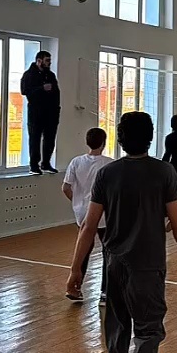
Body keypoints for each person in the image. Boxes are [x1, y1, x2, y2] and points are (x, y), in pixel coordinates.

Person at [66, 111, 177, 353]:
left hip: (114, 265)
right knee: (150, 332)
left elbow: (89, 226)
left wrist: (75, 269)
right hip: (147, 266)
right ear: (150, 137)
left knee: (117, 330)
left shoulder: (107, 173)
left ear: (120, 139)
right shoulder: (164, 172)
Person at [63, 127, 114, 306]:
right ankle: (106, 293)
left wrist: (77, 203)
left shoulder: (76, 162)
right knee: (108, 251)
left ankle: (75, 288)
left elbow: (66, 188)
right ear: (104, 143)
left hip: (81, 212)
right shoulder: (109, 164)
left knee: (83, 249)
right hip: (104, 214)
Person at [21, 50, 60, 175]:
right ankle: (34, 166)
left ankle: (46, 163)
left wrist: (57, 110)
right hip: (36, 112)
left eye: (50, 60)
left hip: (51, 113)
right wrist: (42, 89)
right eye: (47, 60)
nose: (49, 63)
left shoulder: (51, 75)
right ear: (39, 61)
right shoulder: (29, 75)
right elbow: (25, 91)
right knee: (35, 138)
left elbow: (56, 92)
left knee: (50, 139)